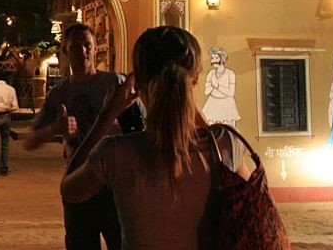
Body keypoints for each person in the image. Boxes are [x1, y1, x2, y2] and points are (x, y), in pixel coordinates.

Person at [61, 26, 246, 250]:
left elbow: (69, 190)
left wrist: (106, 115)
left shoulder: (114, 154)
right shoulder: (226, 144)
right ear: (195, 79)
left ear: (137, 83)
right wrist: (186, 101)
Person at [24, 23, 126, 250]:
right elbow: (30, 142)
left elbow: (141, 130)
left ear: (96, 49)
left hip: (115, 187)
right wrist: (54, 130)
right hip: (78, 183)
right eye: (76, 47)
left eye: (87, 46)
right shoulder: (59, 94)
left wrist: (115, 127)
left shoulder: (115, 84)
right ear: (65, 51)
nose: (82, 52)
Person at [200, 46, 240, 127]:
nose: (213, 60)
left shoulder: (230, 74)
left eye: (216, 58)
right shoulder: (211, 73)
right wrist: (212, 85)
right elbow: (206, 91)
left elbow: (231, 93)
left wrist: (217, 86)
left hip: (227, 105)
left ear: (222, 59)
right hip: (213, 104)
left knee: (229, 130)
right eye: (212, 58)